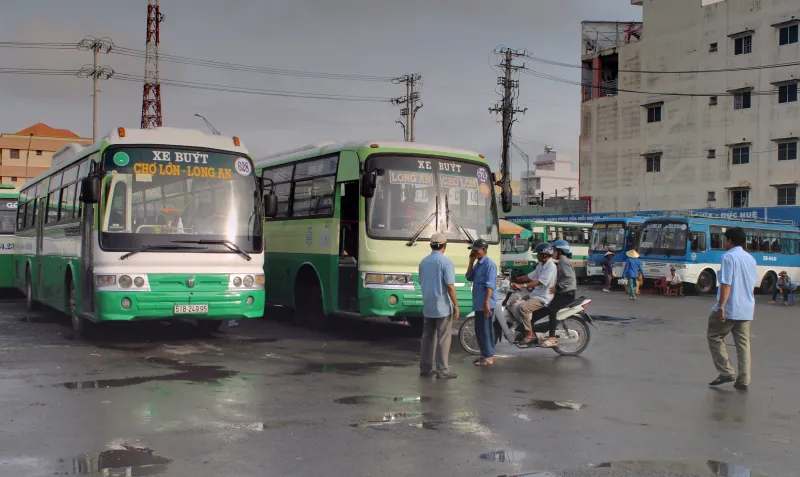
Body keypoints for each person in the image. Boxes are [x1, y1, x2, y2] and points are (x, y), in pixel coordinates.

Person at [707, 227, 757, 391]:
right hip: (747, 308)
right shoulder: (750, 259)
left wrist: (721, 307)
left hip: (730, 307)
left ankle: (726, 371)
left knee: (714, 336)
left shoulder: (728, 257)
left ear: (729, 240)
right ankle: (744, 379)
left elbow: (726, 284)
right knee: (743, 344)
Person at [418, 232, 459, 379]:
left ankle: (425, 368)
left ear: (431, 245)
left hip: (428, 305)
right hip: (442, 306)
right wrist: (456, 304)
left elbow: (421, 281)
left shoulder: (423, 262)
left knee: (427, 337)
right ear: (444, 246)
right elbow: (450, 286)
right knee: (443, 339)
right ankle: (442, 370)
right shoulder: (445, 262)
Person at [511, 242, 557, 346]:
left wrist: (522, 286)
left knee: (523, 307)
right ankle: (524, 327)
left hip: (543, 297)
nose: (537, 255)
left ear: (545, 255)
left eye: (538, 254)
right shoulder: (541, 265)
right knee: (515, 302)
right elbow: (529, 276)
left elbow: (540, 281)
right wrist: (515, 279)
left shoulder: (550, 266)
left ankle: (530, 334)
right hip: (535, 294)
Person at [466, 238, 497, 367]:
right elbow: (468, 277)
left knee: (485, 330)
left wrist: (486, 302)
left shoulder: (490, 265)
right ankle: (484, 355)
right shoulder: (478, 264)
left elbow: (489, 285)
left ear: (484, 250)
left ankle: (489, 356)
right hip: (479, 303)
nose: (474, 252)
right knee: (479, 330)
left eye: (476, 250)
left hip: (486, 304)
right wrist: (471, 261)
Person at [544, 240, 578, 348]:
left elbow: (568, 279)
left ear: (559, 251)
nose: (553, 252)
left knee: (552, 309)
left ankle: (552, 337)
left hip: (567, 293)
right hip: (563, 292)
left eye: (554, 250)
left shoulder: (563, 261)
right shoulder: (562, 260)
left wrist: (557, 287)